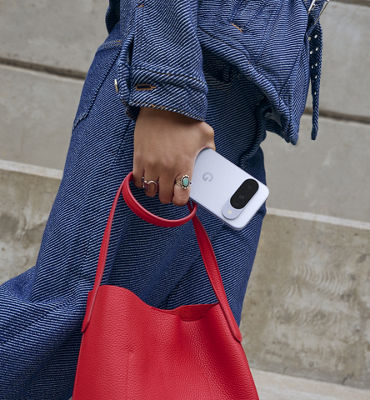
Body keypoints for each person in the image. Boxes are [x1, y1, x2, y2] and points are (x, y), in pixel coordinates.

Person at [0, 0, 327, 398]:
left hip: (242, 113)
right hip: (182, 83)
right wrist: (164, 91)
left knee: (192, 355)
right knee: (65, 319)